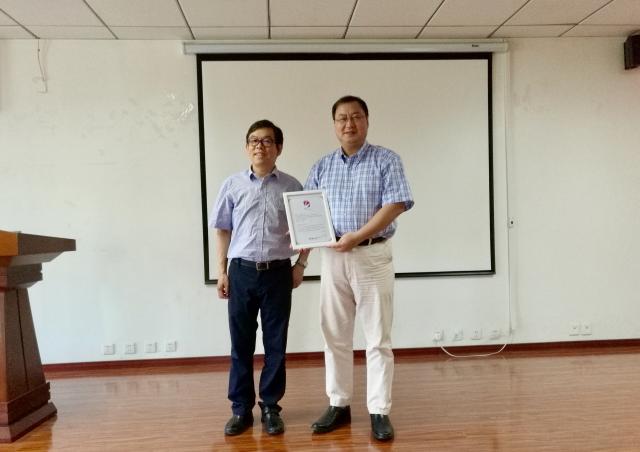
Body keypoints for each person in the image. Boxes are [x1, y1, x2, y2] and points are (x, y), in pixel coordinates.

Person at [305, 95, 414, 441]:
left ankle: (379, 410)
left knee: (377, 337)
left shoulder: (386, 160)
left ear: (367, 121)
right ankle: (338, 404)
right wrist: (303, 253)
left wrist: (358, 236)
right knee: (334, 334)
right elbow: (306, 211)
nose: (349, 124)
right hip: (332, 257)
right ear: (334, 125)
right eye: (342, 118)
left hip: (372, 255)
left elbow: (395, 204)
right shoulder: (322, 166)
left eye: (356, 117)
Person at [210, 119, 309, 436]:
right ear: (246, 147)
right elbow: (222, 229)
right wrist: (221, 271)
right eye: (254, 140)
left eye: (267, 141)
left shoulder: (292, 187)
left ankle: (270, 407)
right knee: (241, 345)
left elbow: (308, 230)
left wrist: (300, 265)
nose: (259, 146)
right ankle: (241, 409)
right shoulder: (232, 185)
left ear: (278, 148)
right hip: (241, 272)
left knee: (275, 345)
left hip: (278, 273)